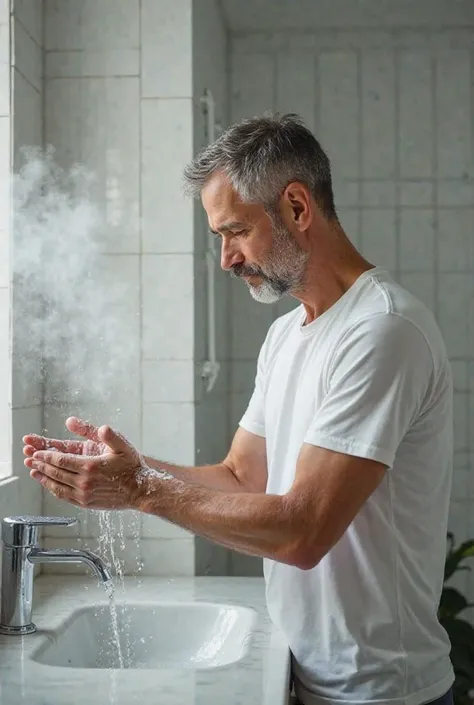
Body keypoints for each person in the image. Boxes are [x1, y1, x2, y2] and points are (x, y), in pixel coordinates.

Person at [23, 113, 454, 705]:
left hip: (384, 693)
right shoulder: (286, 336)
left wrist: (140, 491)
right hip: (309, 674)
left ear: (297, 208)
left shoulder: (382, 330)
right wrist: (123, 466)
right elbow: (241, 478)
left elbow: (303, 532)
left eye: (235, 232)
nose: (226, 259)